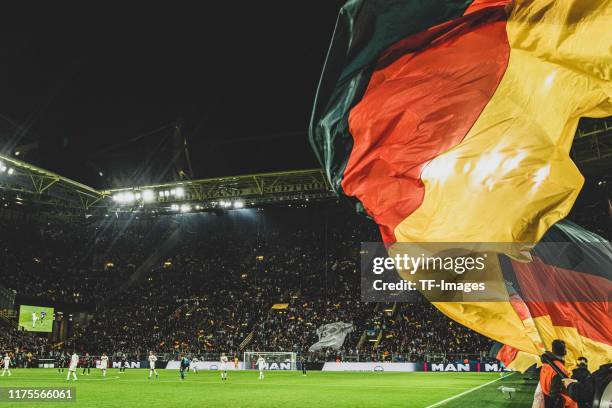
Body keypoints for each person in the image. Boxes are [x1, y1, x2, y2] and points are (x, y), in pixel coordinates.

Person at [539, 340, 577, 408]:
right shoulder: (560, 369)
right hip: (560, 403)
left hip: (546, 398)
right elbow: (555, 395)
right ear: (564, 351)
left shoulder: (546, 364)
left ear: (553, 350)